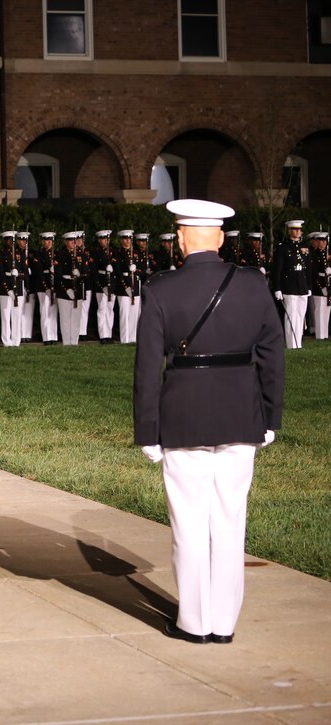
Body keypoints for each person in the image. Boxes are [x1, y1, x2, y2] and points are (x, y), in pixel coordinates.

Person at [134, 198, 284, 646]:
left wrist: (147, 430)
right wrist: (270, 415)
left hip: (183, 417)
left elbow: (147, 368)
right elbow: (273, 356)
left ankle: (193, 622)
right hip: (241, 414)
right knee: (229, 520)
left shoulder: (160, 289)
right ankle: (224, 623)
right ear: (219, 237)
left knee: (189, 523)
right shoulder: (253, 284)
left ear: (181, 239)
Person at [271, 219, 310, 349]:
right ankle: (291, 345)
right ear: (289, 231)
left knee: (300, 316)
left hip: (302, 287)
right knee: (291, 317)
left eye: (299, 229)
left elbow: (308, 268)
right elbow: (277, 269)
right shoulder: (283, 247)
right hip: (289, 287)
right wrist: (277, 288)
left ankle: (298, 344)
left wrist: (309, 286)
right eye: (294, 229)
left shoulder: (305, 246)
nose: (297, 231)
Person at [0, 230, 24, 347]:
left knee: (17, 316)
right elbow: (0, 274)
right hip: (5, 290)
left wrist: (19, 274)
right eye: (8, 240)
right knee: (6, 316)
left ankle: (16, 340)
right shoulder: (0, 254)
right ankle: (6, 340)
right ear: (4, 241)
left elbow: (26, 272)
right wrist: (8, 290)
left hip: (18, 287)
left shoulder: (19, 254)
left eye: (12, 240)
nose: (11, 242)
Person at [55, 232, 83, 345]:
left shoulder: (81, 255)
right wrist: (66, 289)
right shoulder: (60, 255)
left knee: (76, 318)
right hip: (64, 290)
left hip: (78, 289)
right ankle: (67, 342)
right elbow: (57, 275)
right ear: (66, 242)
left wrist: (80, 274)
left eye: (74, 241)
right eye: (71, 241)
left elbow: (87, 273)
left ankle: (74, 341)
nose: (73, 243)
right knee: (65, 318)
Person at [89, 230, 116, 343]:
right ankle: (103, 335)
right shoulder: (96, 252)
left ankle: (109, 334)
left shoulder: (113, 251)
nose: (103, 241)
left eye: (105, 239)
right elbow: (94, 270)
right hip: (101, 283)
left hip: (112, 284)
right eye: (101, 239)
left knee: (110, 310)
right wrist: (100, 285)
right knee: (102, 309)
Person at [114, 230, 140, 344]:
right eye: (125, 239)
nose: (127, 241)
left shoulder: (136, 253)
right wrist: (125, 287)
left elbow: (143, 268)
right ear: (121, 240)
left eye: (129, 239)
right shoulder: (118, 253)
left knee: (134, 314)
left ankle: (133, 338)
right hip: (123, 287)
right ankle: (125, 339)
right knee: (124, 314)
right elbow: (118, 272)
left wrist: (137, 270)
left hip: (136, 285)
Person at [32, 232, 58, 345]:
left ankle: (53, 337)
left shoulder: (56, 254)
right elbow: (38, 271)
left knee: (53, 312)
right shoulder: (39, 254)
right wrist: (45, 286)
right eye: (46, 240)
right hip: (43, 287)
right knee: (45, 311)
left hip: (54, 285)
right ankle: (47, 337)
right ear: (42, 241)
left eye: (50, 240)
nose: (48, 242)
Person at [307, 231, 329, 340]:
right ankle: (320, 335)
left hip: (328, 286)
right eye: (321, 241)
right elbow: (314, 274)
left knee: (327, 311)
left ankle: (325, 334)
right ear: (317, 241)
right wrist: (321, 287)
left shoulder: (327, 254)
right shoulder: (314, 255)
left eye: (325, 241)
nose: (323, 243)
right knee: (320, 311)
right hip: (319, 288)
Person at [17, 232, 35, 343]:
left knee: (28, 311)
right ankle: (19, 334)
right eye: (22, 240)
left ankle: (27, 334)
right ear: (18, 241)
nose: (24, 243)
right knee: (19, 310)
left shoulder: (31, 254)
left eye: (26, 241)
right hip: (20, 283)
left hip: (30, 284)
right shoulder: (16, 253)